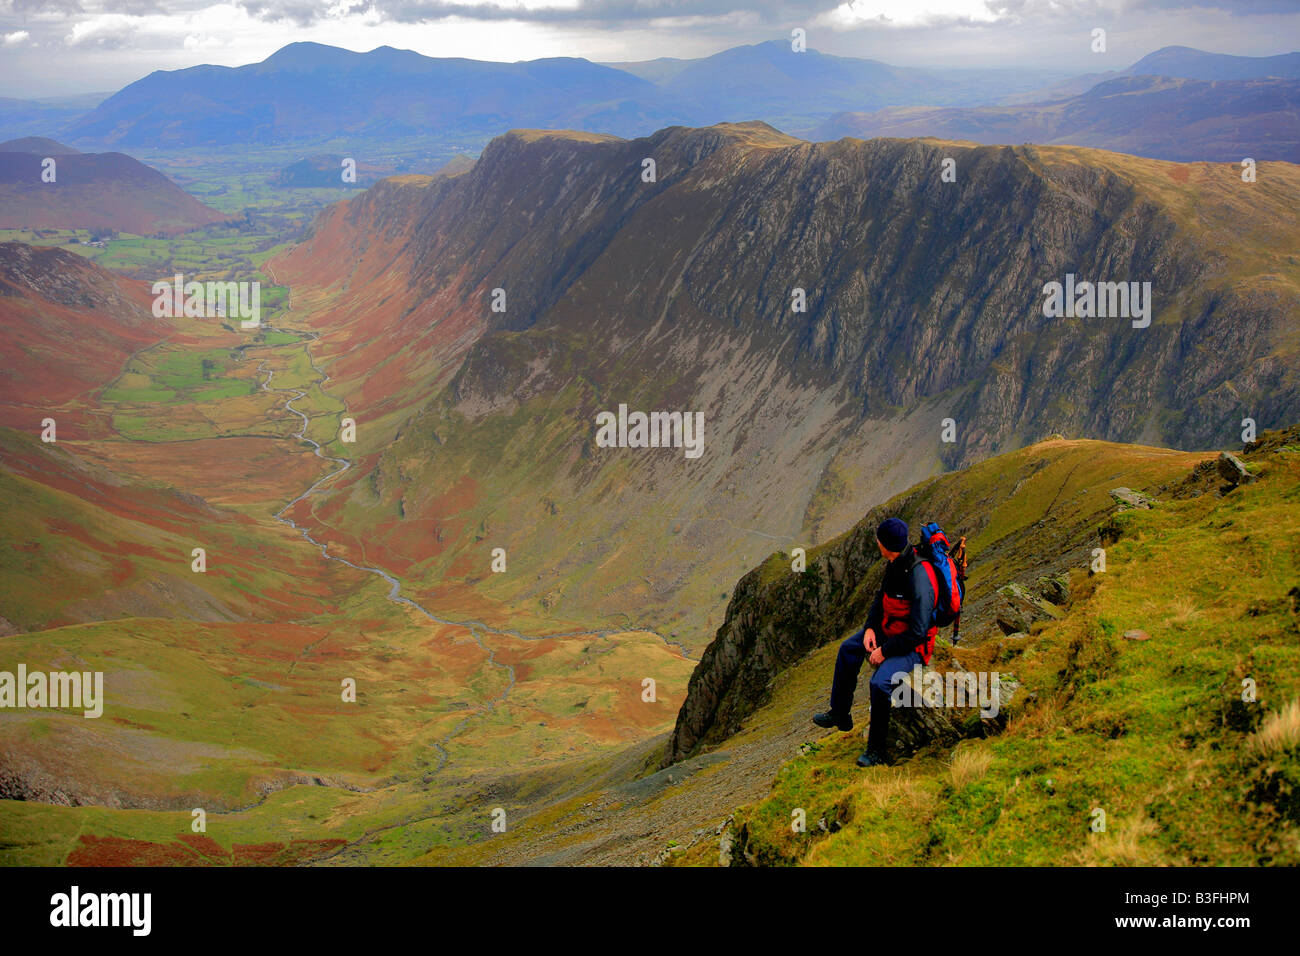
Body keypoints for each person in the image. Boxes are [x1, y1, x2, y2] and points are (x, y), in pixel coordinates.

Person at [812, 517, 937, 767]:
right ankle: (840, 713)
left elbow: (919, 631)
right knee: (848, 649)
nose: (876, 543)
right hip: (887, 631)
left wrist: (884, 651)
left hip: (913, 646)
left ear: (886, 544)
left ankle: (877, 750)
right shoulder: (895, 563)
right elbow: (881, 599)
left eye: (878, 540)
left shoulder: (919, 576)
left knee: (879, 684)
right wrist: (870, 628)